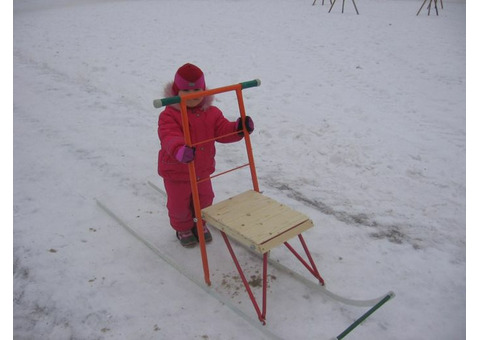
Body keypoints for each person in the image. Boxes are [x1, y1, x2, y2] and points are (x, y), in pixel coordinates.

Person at [157, 63, 254, 247]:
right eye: (185, 90)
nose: (192, 95)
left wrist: (238, 128)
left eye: (197, 90)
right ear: (177, 91)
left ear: (204, 89)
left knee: (205, 199)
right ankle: (183, 228)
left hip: (202, 170)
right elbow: (169, 136)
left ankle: (200, 224)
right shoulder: (169, 115)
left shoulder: (211, 113)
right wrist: (179, 149)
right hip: (177, 171)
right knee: (179, 204)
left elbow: (222, 130)